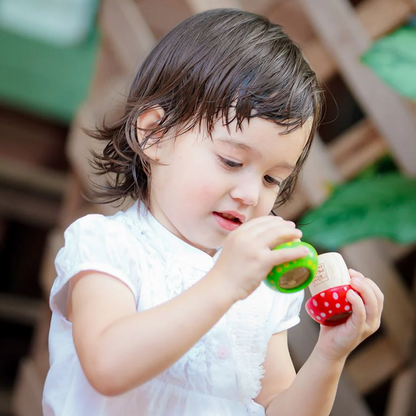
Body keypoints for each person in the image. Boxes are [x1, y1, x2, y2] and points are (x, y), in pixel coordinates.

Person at [42, 8, 384, 416]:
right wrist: (224, 284)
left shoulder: (260, 289)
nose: (249, 193)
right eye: (231, 162)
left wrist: (330, 355)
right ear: (155, 134)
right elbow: (108, 366)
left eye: (273, 179)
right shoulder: (109, 247)